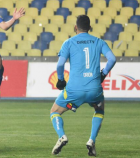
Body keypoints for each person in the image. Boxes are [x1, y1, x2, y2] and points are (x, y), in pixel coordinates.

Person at [50, 15, 116, 156]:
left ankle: (62, 136)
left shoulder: (68, 42)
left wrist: (61, 80)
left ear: (75, 27)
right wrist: (103, 74)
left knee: (54, 111)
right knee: (99, 110)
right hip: (94, 89)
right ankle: (91, 141)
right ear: (90, 28)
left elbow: (60, 64)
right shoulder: (99, 41)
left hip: (74, 90)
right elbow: (112, 59)